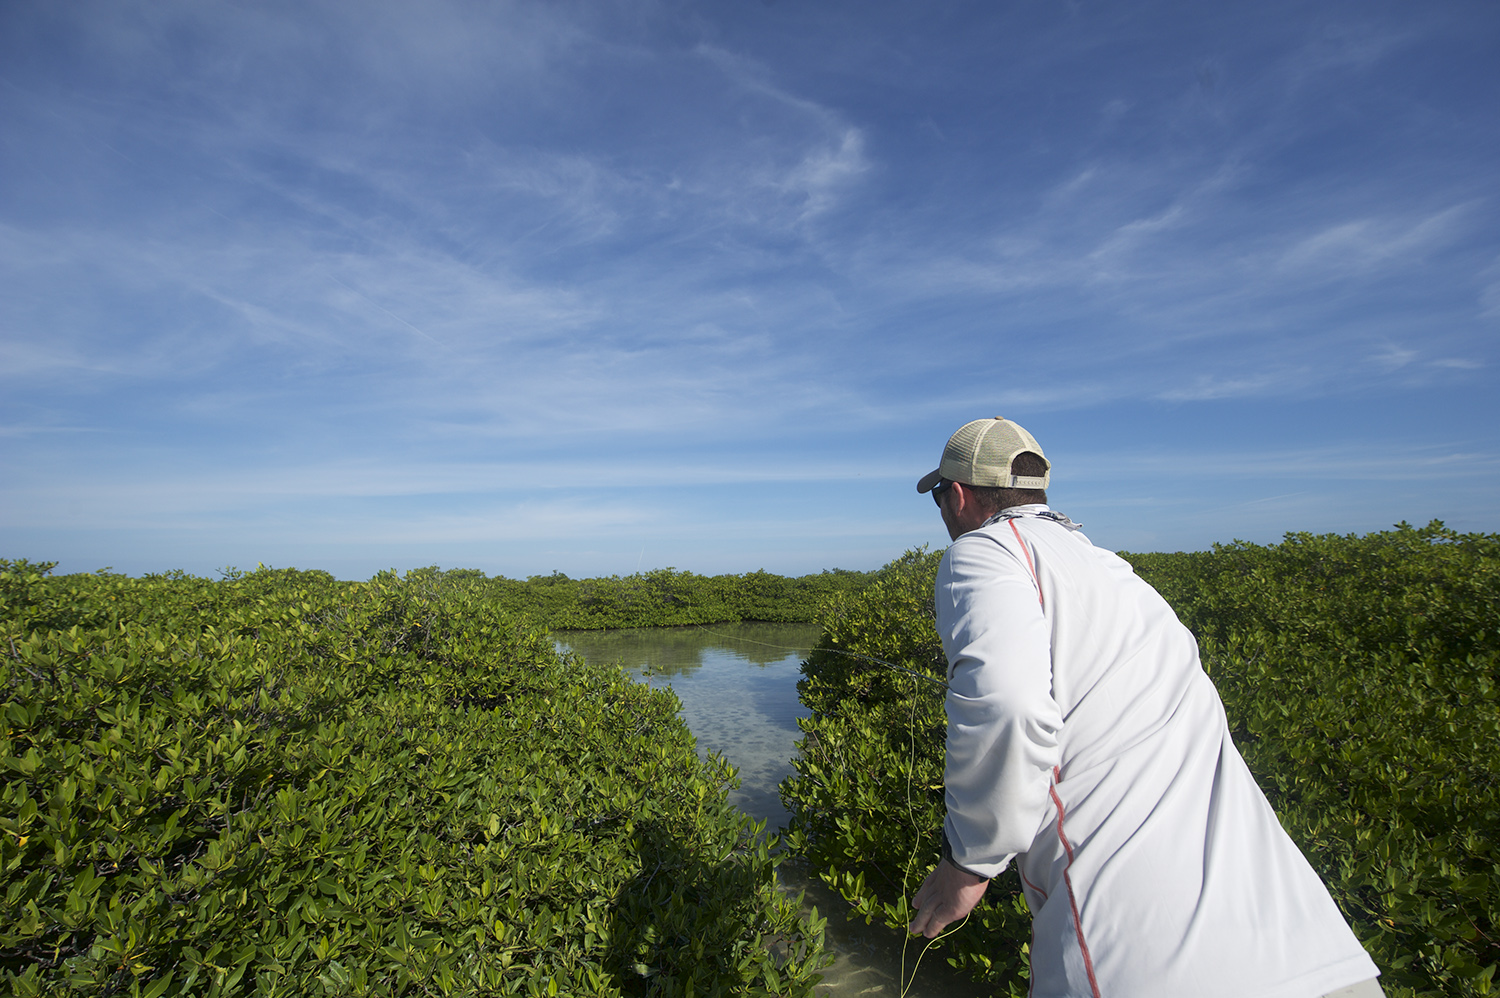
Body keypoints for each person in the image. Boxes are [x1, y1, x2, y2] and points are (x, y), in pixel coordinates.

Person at [906, 417, 1382, 998]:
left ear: (956, 495)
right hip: (1317, 955)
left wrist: (969, 863)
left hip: (1138, 962)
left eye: (937, 496)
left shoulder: (981, 554)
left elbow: (1009, 703)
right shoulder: (1119, 574)